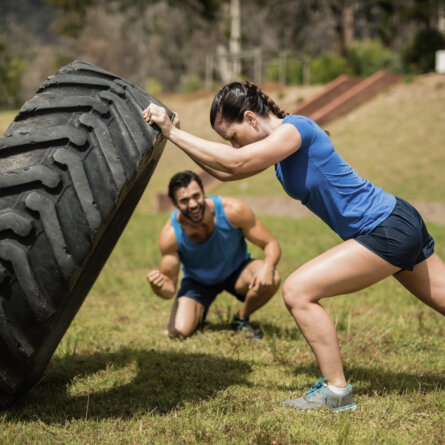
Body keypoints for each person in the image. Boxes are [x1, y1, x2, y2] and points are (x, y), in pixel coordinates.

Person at [143, 81, 445, 411]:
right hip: (397, 220)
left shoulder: (295, 130)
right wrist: (176, 136)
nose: (232, 144)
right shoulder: (281, 150)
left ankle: (336, 391)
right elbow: (227, 171)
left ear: (250, 119)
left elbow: (235, 163)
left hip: (385, 228)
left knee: (298, 291)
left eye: (232, 136)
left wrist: (172, 132)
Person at [146, 170, 281, 339]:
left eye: (196, 196)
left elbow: (271, 244)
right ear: (174, 203)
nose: (193, 204)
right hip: (198, 283)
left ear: (204, 193)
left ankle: (240, 319)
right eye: (184, 201)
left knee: (272, 277)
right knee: (177, 333)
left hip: (237, 272)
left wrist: (268, 267)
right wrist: (158, 287)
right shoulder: (171, 234)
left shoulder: (233, 210)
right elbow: (169, 290)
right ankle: (198, 312)